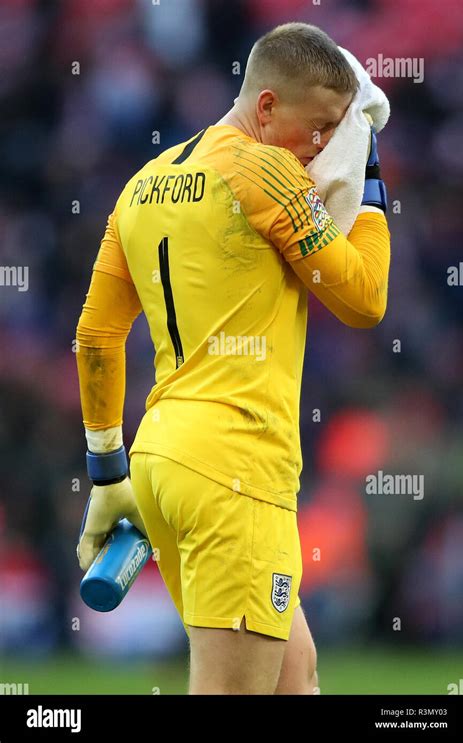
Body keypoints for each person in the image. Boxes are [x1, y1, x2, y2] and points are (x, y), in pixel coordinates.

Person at [75, 22, 390, 695]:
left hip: (162, 463)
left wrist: (107, 472)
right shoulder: (265, 168)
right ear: (268, 107)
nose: (325, 145)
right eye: (322, 126)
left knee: (294, 676)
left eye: (341, 131)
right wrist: (369, 178)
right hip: (236, 470)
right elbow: (365, 299)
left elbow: (97, 335)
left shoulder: (143, 182)